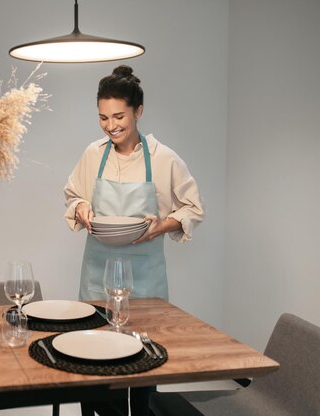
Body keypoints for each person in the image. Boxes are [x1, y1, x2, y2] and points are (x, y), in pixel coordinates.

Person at [63, 65, 205, 416]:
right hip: (97, 276)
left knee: (143, 371)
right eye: (103, 117)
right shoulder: (93, 154)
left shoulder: (163, 158)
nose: (111, 126)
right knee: (94, 367)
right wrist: (82, 208)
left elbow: (192, 208)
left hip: (144, 283)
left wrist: (162, 226)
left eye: (119, 116)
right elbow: (72, 195)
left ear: (138, 112)